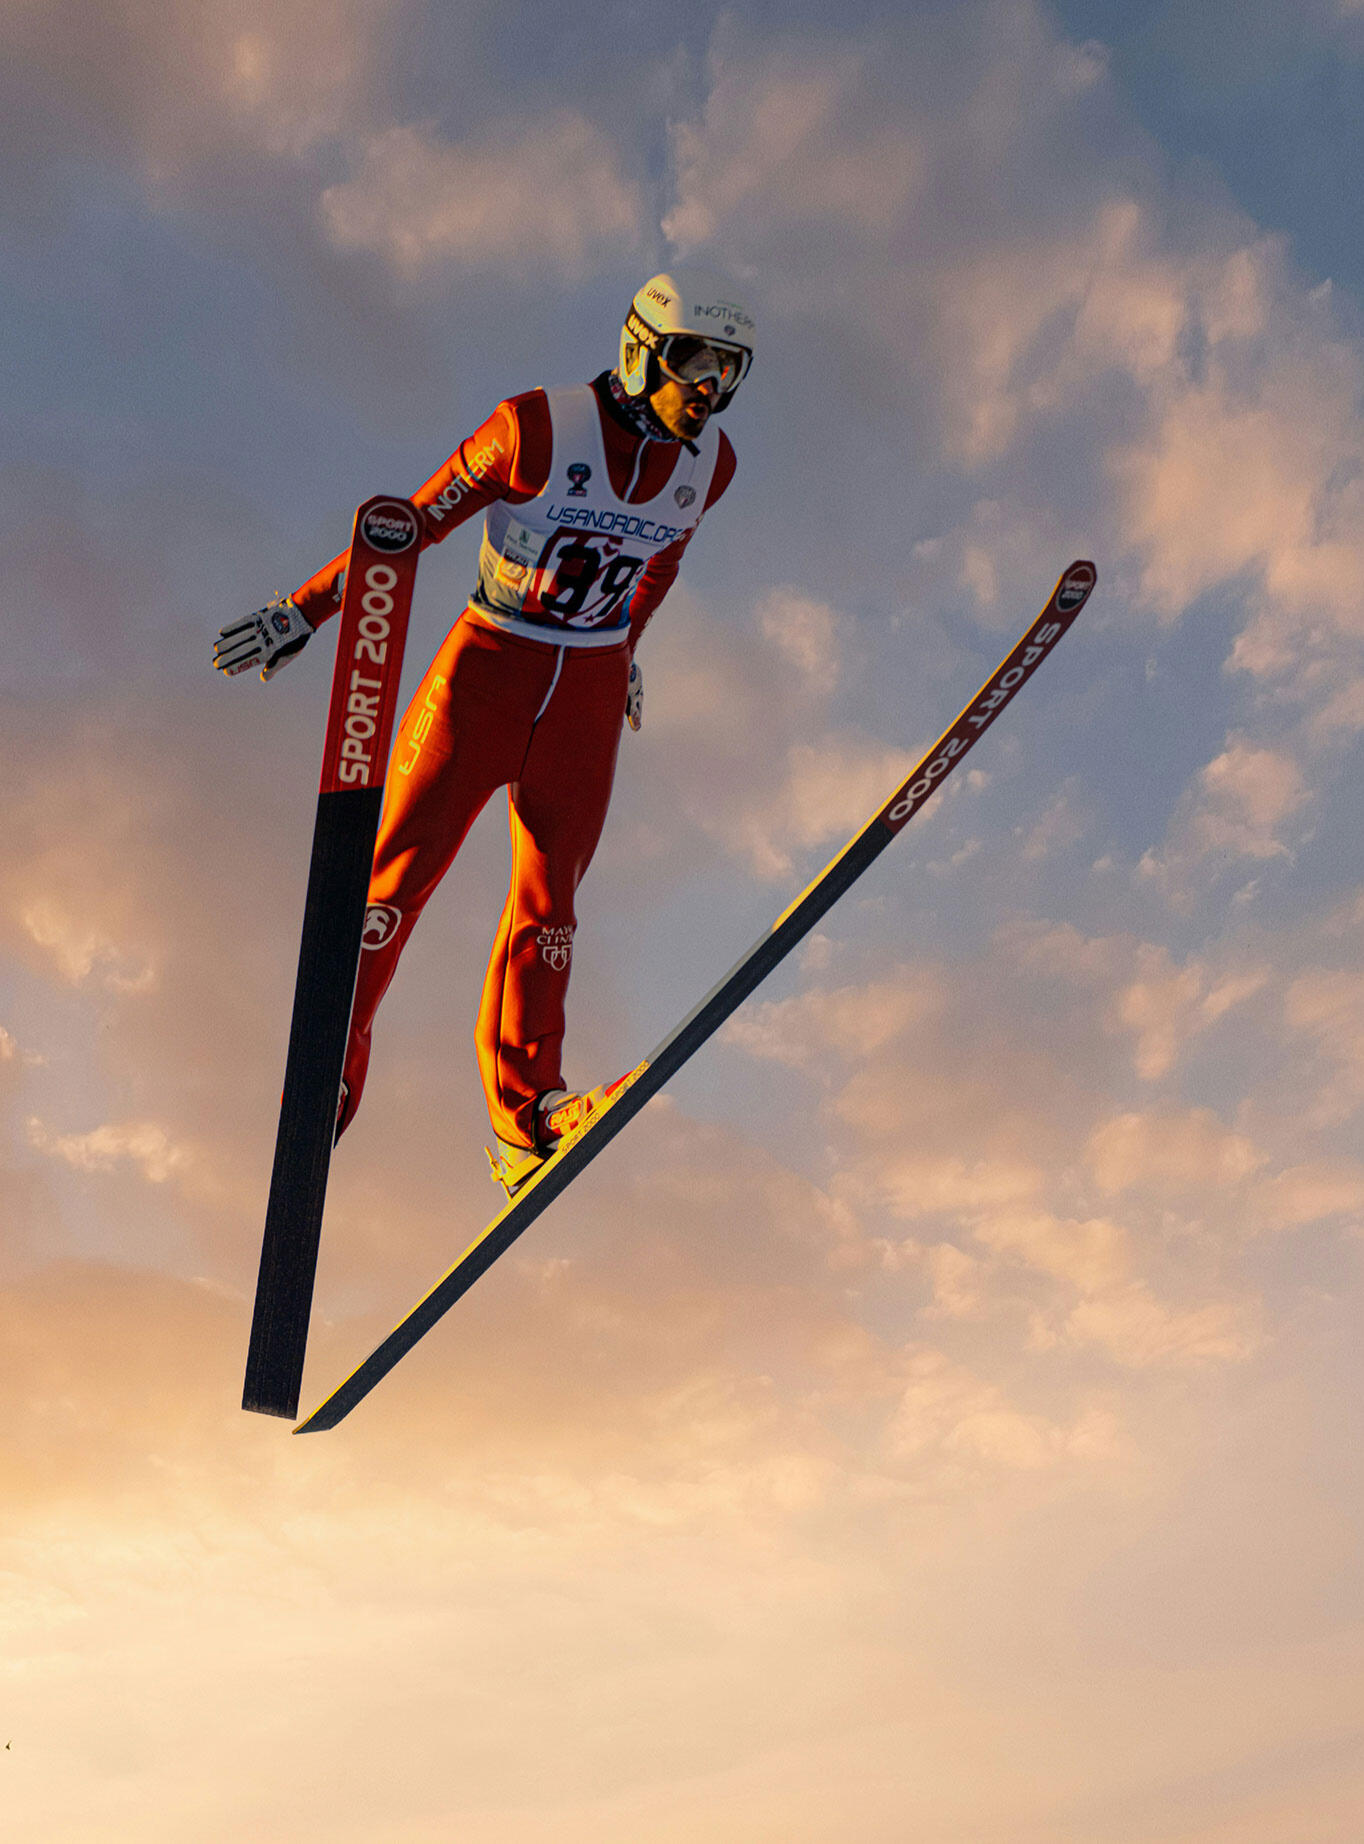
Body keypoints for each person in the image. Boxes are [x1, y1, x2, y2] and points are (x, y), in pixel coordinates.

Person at [214, 268, 753, 1192]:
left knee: (552, 907)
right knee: (394, 883)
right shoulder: (535, 426)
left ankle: (527, 1120)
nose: (708, 386)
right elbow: (412, 526)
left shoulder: (715, 465)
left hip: (583, 687)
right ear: (640, 348)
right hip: (488, 668)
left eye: (729, 369)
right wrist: (306, 610)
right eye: (692, 359)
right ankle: (324, 1091)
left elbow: (659, 565)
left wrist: (625, 651)